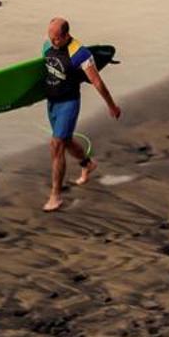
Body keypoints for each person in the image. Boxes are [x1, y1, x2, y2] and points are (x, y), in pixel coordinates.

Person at [41, 17, 119, 211]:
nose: (52, 41)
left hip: (69, 102)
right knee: (65, 141)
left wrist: (111, 105)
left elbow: (97, 82)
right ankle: (87, 163)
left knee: (56, 145)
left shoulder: (80, 54)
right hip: (52, 103)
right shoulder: (47, 45)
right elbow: (44, 73)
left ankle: (55, 196)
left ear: (66, 35)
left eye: (57, 38)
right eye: (50, 36)